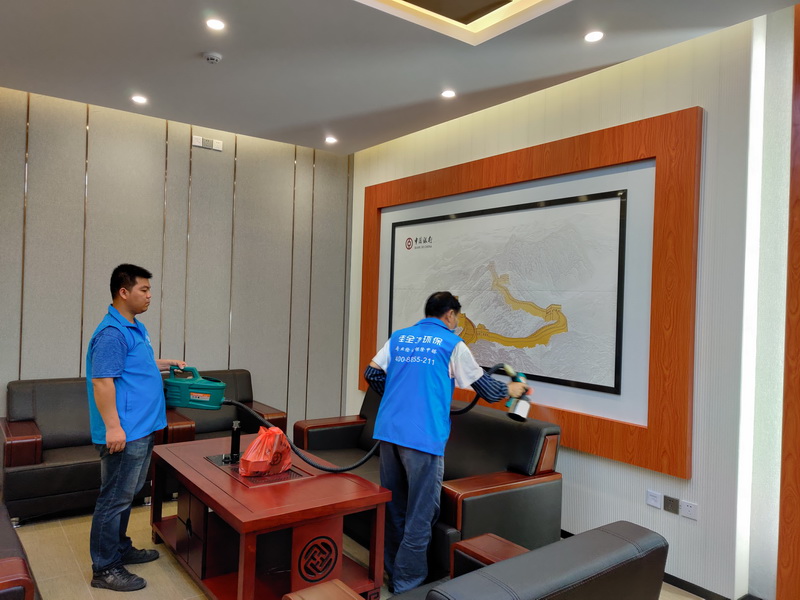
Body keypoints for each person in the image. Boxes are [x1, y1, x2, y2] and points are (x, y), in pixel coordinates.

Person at [363, 291, 528, 593]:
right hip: (422, 437)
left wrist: (400, 396)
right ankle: (407, 585)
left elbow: (371, 373)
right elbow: (487, 390)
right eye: (456, 317)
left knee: (395, 506)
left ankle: (392, 572)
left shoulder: (400, 337)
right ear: (450, 315)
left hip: (389, 432)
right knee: (420, 513)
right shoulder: (452, 344)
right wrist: (513, 391)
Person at [86, 264, 187, 592]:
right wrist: (113, 427)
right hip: (125, 433)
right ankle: (104, 568)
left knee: (126, 495)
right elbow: (102, 381)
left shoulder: (134, 328)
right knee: (113, 499)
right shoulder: (112, 333)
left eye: (149, 289)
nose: (149, 295)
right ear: (123, 292)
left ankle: (120, 548)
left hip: (142, 428)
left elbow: (135, 364)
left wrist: (166, 363)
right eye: (143, 289)